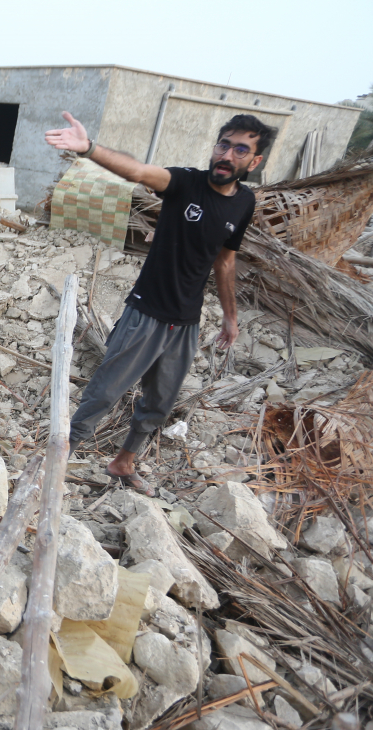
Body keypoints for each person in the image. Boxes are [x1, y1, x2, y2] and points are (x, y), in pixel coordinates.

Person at [43, 111, 276, 495]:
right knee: (103, 393)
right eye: (223, 144)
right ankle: (56, 460)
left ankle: (123, 462)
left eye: (239, 149)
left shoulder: (243, 203)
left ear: (254, 162)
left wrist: (230, 318)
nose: (226, 155)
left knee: (159, 404)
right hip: (145, 313)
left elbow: (225, 260)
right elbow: (137, 171)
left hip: (185, 323)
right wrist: (89, 148)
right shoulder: (184, 183)